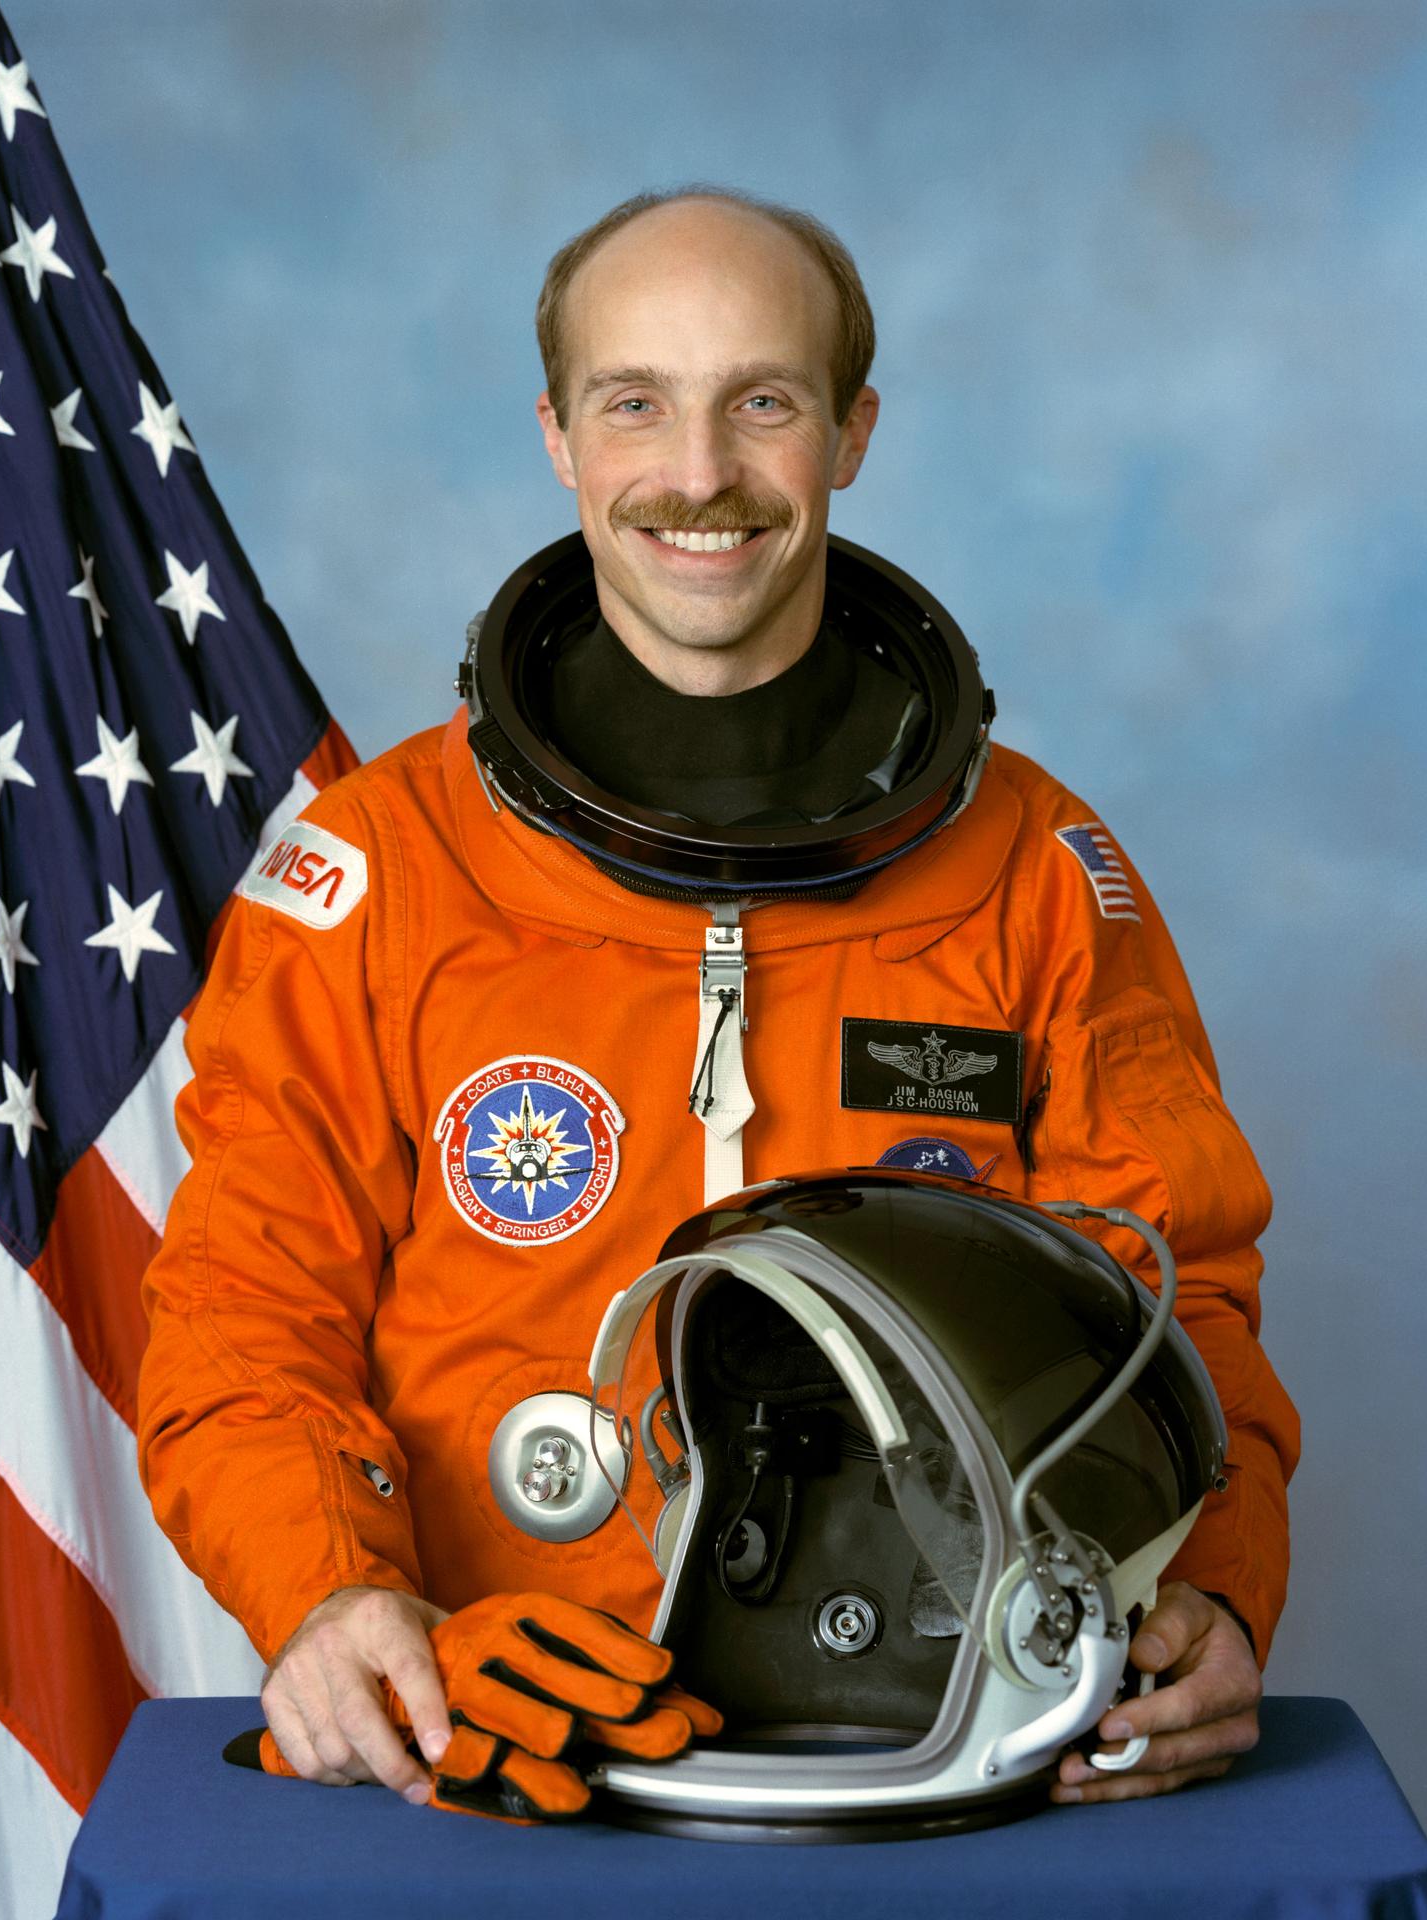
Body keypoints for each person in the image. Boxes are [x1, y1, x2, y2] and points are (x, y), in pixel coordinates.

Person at [138, 188, 1299, 1815]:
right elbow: (242, 1321)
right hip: (493, 1755)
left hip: (937, 1749)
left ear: (853, 432)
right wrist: (334, 1602)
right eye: (636, 403)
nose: (697, 475)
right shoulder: (378, 873)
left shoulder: (1033, 867)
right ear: (558, 436)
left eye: (764, 400)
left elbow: (1176, 1315)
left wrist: (1213, 1592)